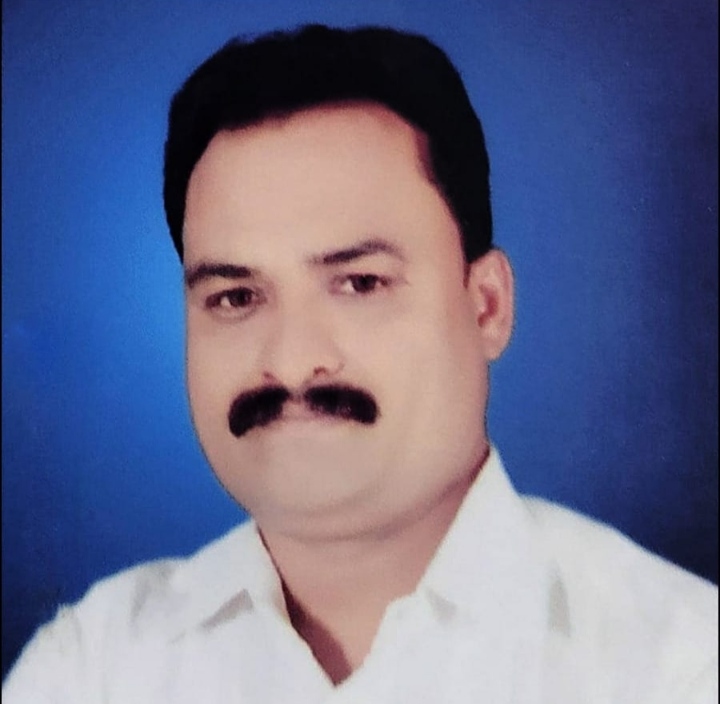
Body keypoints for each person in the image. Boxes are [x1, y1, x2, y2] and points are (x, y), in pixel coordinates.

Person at [3, 23, 717, 703]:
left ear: (487, 307)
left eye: (360, 283)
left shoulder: (678, 665)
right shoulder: (94, 666)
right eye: (236, 296)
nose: (291, 360)